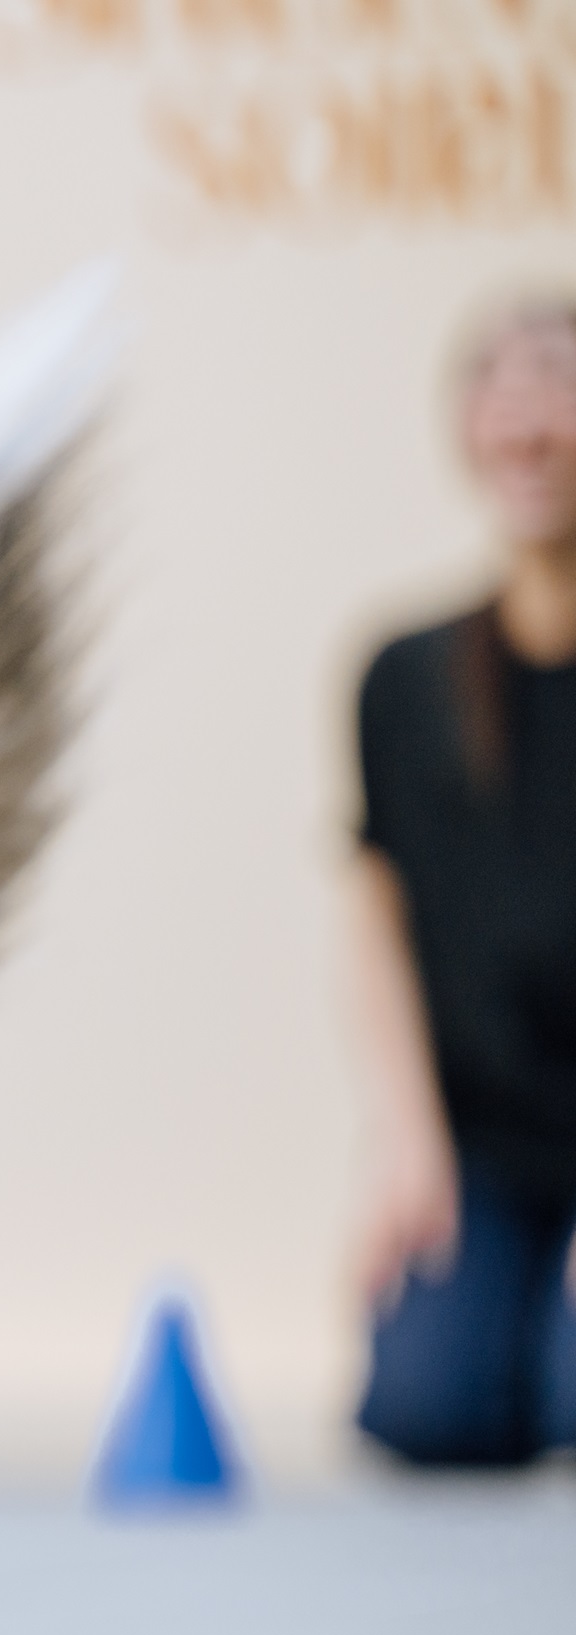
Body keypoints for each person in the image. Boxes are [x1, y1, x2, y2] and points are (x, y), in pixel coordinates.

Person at [350, 300, 576, 1467]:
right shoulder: (405, 676)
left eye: (560, 384)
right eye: (501, 388)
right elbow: (374, 915)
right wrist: (407, 1147)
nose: (530, 420)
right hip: (485, 1144)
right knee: (426, 1408)